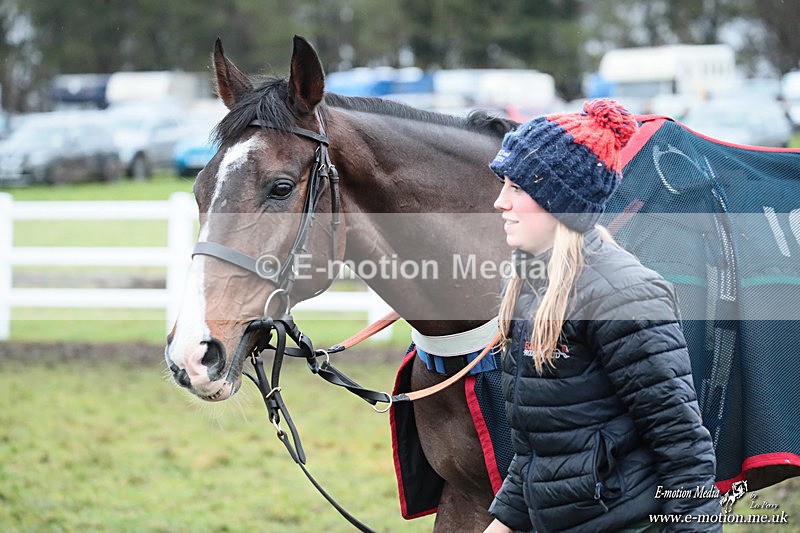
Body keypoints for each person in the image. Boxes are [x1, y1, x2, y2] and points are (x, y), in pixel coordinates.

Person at [483, 99, 722, 532]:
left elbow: (683, 447)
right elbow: (540, 450)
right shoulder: (525, 288)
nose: (500, 202)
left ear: (560, 200)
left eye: (516, 188)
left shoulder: (623, 294)